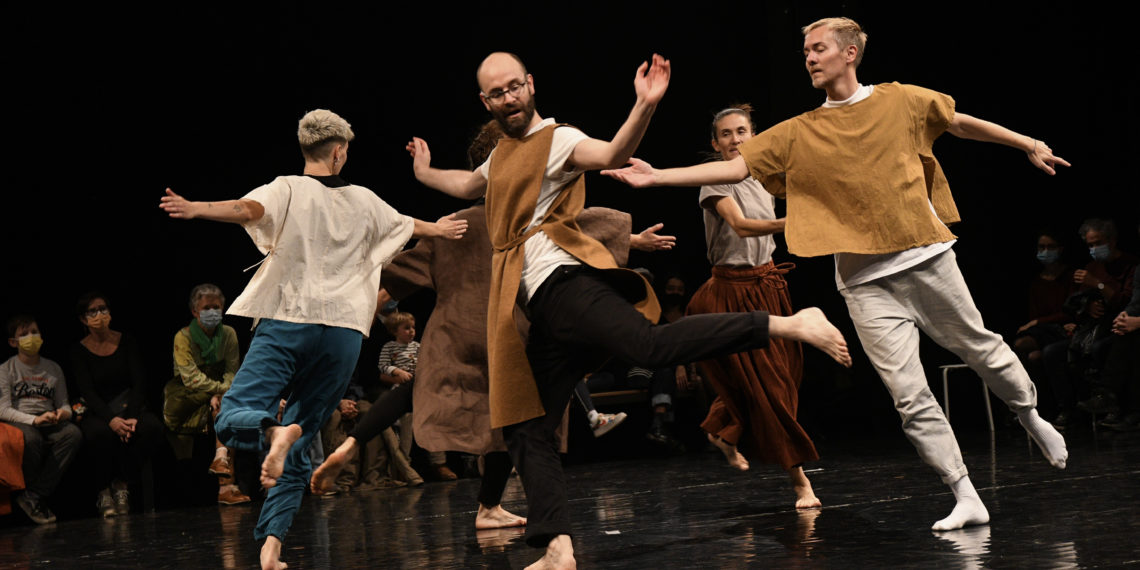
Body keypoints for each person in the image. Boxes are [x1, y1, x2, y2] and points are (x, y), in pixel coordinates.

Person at [603, 17, 1070, 531]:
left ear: (850, 53)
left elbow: (958, 122)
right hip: (864, 282)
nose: (808, 57)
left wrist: (1026, 142)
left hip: (925, 257)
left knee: (979, 346)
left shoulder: (900, 100)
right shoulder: (802, 130)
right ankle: (963, 493)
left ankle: (1029, 415)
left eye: (818, 48)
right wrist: (656, 176)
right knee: (908, 395)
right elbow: (736, 169)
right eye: (805, 51)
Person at [406, 51, 851, 568]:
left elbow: (613, 151)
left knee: (649, 345)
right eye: (497, 93)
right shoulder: (502, 155)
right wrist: (423, 171)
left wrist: (644, 105)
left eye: (514, 87)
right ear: (486, 101)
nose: (508, 99)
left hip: (566, 285)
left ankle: (788, 324)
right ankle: (557, 548)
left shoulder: (560, 140)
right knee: (526, 429)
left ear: (530, 85)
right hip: (544, 311)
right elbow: (465, 185)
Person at [158, 108, 466, 570]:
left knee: (232, 418)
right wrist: (440, 228)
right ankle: (272, 547)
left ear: (307, 149)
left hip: (288, 321)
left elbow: (246, 210)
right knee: (300, 441)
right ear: (340, 151)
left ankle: (272, 434)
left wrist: (197, 208)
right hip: (342, 333)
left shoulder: (286, 187)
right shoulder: (364, 198)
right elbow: (404, 223)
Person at [686, 104, 821, 508]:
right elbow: (742, 226)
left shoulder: (765, 178)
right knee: (770, 387)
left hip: (769, 286)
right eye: (725, 134)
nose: (734, 140)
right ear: (715, 143)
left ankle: (720, 429)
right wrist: (794, 222)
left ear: (754, 135)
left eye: (741, 132)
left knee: (783, 378)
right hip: (732, 293)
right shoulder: (714, 183)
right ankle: (800, 482)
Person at [69, 291, 164, 518]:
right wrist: (111, 420)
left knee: (151, 427)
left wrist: (130, 416)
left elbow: (139, 382)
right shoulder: (78, 350)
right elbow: (87, 392)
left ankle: (122, 483)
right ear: (83, 319)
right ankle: (103, 490)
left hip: (128, 407)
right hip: (99, 411)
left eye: (103, 309)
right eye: (93, 311)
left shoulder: (126, 341)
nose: (100, 315)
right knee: (98, 434)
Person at [161, 283, 250, 505]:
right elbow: (191, 379)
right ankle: (226, 482)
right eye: (207, 308)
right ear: (194, 311)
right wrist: (218, 391)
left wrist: (221, 394)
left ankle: (223, 468)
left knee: (227, 407)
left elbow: (232, 372)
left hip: (217, 400)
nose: (213, 312)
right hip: (185, 399)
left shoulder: (228, 334)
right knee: (223, 402)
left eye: (217, 307)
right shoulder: (183, 337)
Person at [1, 315, 81, 524]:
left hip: (49, 419)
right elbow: (3, 409)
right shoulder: (6, 369)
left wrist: (64, 413)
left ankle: (33, 495)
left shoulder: (53, 368)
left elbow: (64, 403)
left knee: (73, 434)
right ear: (13, 342)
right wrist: (34, 421)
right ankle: (29, 495)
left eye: (35, 332)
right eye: (24, 334)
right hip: (21, 420)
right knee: (31, 439)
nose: (31, 337)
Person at [377, 311, 456, 481]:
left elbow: (427, 363)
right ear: (394, 331)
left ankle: (439, 463)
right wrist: (397, 371)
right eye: (406, 328)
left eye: (413, 328)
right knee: (406, 425)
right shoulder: (389, 347)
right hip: (402, 390)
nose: (412, 331)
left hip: (421, 390)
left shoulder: (418, 347)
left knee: (433, 420)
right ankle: (404, 466)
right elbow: (383, 366)